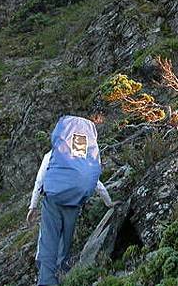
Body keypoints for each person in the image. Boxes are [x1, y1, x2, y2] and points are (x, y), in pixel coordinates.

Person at [27, 115, 115, 286]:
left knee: (48, 240)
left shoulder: (55, 153)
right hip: (74, 203)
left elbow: (40, 180)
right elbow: (97, 182)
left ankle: (46, 281)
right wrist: (108, 202)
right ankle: (62, 277)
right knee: (65, 242)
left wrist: (33, 205)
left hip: (53, 201)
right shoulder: (84, 159)